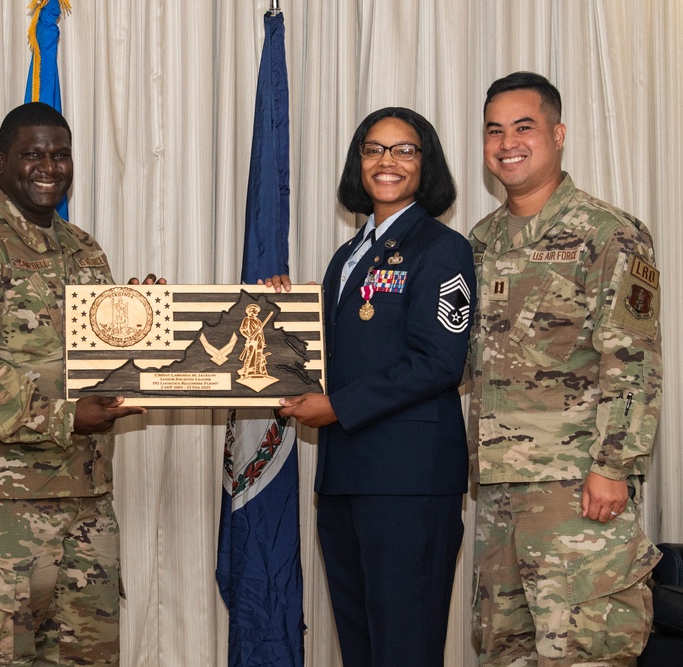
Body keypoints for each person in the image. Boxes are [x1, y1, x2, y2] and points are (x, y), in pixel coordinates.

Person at [0, 102, 158, 666]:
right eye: (32, 154)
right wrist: (67, 416)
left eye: (60, 154)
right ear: (0, 162)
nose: (49, 166)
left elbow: (104, 365)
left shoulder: (83, 248)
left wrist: (144, 317)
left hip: (84, 513)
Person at [468, 71, 663, 666]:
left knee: (584, 652)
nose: (507, 143)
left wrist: (614, 466)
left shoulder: (610, 233)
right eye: (494, 131)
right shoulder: (480, 241)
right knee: (506, 652)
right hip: (498, 493)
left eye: (523, 127)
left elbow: (633, 358)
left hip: (577, 490)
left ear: (557, 134)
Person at [269, 107, 475, 666]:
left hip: (408, 480)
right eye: (373, 149)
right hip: (345, 476)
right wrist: (281, 308)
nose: (387, 161)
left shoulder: (442, 248)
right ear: (358, 162)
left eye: (404, 149)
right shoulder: (349, 255)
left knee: (403, 647)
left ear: (425, 162)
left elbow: (438, 362)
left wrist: (337, 406)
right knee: (360, 645)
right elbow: (340, 351)